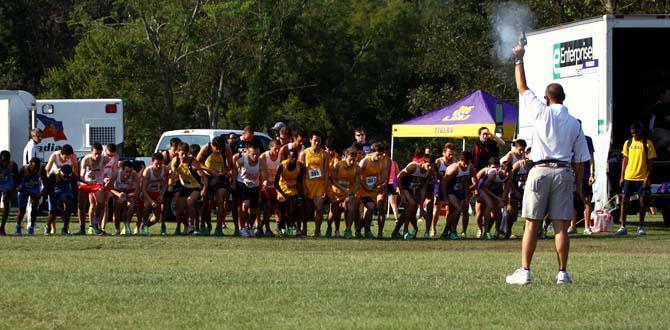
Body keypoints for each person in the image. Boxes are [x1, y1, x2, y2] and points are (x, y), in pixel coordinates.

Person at [505, 43, 590, 285]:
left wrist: (519, 58)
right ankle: (562, 273)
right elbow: (581, 161)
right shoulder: (575, 123)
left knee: (532, 223)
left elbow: (522, 86)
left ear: (546, 98)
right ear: (563, 98)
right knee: (561, 226)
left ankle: (525, 271)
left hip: (540, 170)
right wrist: (580, 188)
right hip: (563, 172)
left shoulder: (541, 112)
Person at [617, 122, 656, 236]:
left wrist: (647, 177)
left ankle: (641, 226)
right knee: (624, 201)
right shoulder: (628, 143)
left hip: (642, 178)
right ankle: (623, 226)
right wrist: (622, 176)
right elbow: (625, 160)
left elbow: (651, 163)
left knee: (643, 202)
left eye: (636, 132)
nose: (635, 135)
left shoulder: (647, 143)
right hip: (629, 177)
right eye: (632, 133)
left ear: (641, 131)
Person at [393, 152, 435, 240]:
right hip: (400, 184)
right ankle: (405, 231)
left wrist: (421, 205)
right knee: (412, 204)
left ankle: (395, 232)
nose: (430, 168)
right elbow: (399, 177)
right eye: (428, 165)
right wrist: (402, 194)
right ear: (423, 162)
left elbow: (423, 189)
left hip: (411, 188)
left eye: (432, 165)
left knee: (409, 209)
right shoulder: (413, 167)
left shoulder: (428, 172)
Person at [198, 136, 234, 237]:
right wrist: (209, 170)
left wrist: (222, 173)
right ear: (212, 146)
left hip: (221, 176)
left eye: (220, 149)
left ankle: (218, 228)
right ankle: (204, 225)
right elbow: (197, 162)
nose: (219, 151)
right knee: (206, 202)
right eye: (216, 149)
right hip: (208, 176)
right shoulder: (206, 148)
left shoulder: (226, 148)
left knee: (220, 200)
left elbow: (231, 165)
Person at [171, 142, 207, 235]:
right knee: (179, 209)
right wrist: (171, 179)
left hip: (196, 187)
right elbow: (171, 172)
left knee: (190, 201)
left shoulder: (193, 163)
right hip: (184, 187)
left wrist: (204, 189)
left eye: (185, 154)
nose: (183, 156)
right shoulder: (175, 161)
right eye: (181, 154)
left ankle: (192, 225)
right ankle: (187, 226)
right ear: (177, 153)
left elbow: (203, 177)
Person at [78, 143, 113, 235]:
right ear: (91, 152)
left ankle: (95, 223)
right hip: (86, 182)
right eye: (95, 154)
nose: (97, 156)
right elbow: (81, 176)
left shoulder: (105, 159)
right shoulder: (86, 159)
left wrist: (106, 178)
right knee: (81, 205)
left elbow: (111, 168)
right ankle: (82, 228)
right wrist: (87, 182)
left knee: (101, 202)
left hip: (97, 183)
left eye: (99, 154)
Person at [299, 131, 329, 237]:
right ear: (310, 140)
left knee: (319, 207)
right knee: (306, 208)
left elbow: (326, 172)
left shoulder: (324, 154)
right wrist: (303, 187)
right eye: (315, 140)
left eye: (319, 140)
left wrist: (325, 188)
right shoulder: (304, 153)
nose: (317, 142)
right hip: (307, 183)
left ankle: (317, 231)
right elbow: (300, 172)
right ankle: (304, 229)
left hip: (319, 184)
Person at [328, 148, 360, 239]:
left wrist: (351, 192)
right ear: (345, 157)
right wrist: (343, 189)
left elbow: (357, 184)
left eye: (354, 159)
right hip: (336, 192)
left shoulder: (357, 168)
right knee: (334, 212)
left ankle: (348, 229)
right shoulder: (338, 165)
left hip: (348, 192)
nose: (352, 161)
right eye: (350, 159)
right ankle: (331, 227)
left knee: (350, 206)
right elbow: (333, 180)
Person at [234, 143, 264, 237]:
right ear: (248, 153)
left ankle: (249, 227)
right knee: (245, 204)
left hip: (255, 185)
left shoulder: (261, 162)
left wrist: (264, 183)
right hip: (243, 183)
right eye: (253, 154)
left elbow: (263, 175)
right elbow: (234, 168)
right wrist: (234, 181)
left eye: (257, 154)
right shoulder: (243, 160)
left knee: (254, 210)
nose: (255, 156)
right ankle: (242, 228)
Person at [274, 148, 305, 236]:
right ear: (288, 157)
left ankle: (291, 231)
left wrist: (300, 196)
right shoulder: (281, 165)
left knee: (292, 212)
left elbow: (300, 182)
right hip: (282, 189)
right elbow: (275, 183)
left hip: (294, 190)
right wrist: (283, 194)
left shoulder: (300, 166)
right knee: (283, 213)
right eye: (292, 157)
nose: (293, 159)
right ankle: (282, 231)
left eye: (295, 157)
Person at [357, 143, 385, 238]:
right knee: (371, 207)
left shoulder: (381, 162)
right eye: (378, 154)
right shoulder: (365, 161)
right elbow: (357, 176)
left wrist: (377, 184)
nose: (380, 156)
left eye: (381, 154)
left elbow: (383, 177)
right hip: (363, 190)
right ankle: (367, 231)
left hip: (373, 190)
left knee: (368, 211)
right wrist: (365, 186)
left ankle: (358, 230)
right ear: (372, 152)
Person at [15, 157, 48, 236]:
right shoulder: (23, 169)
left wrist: (40, 194)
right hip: (23, 188)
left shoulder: (41, 169)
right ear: (30, 165)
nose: (36, 170)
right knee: (22, 210)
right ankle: (18, 226)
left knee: (34, 208)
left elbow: (46, 184)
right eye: (34, 168)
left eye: (37, 168)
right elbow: (16, 185)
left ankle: (31, 227)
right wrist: (22, 190)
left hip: (35, 188)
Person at [503, 139, 528, 238]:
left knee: (524, 209)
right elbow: (508, 174)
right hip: (511, 184)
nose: (522, 152)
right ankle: (507, 231)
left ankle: (527, 230)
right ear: (515, 148)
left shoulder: (523, 156)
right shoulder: (510, 155)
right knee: (511, 209)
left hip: (521, 185)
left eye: (523, 150)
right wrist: (512, 190)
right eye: (520, 150)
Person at [431, 143, 456, 238]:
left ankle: (447, 229)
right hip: (439, 187)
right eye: (449, 153)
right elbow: (433, 174)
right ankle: (433, 228)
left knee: (449, 209)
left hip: (450, 188)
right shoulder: (438, 162)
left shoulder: (455, 162)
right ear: (444, 152)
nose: (451, 155)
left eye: (453, 153)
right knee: (436, 208)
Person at [109, 160, 140, 236]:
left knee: (131, 206)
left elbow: (137, 190)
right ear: (122, 169)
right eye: (126, 172)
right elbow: (109, 187)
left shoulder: (134, 174)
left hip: (129, 192)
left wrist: (130, 195)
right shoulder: (116, 173)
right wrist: (118, 194)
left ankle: (127, 225)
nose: (128, 174)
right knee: (117, 212)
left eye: (130, 172)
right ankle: (117, 229)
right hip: (118, 191)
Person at [45, 164, 76, 235]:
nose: (66, 178)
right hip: (54, 192)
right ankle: (48, 227)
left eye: (68, 176)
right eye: (65, 176)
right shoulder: (53, 175)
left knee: (68, 210)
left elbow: (74, 190)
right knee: (53, 211)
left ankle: (65, 228)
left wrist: (74, 201)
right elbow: (49, 189)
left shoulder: (73, 176)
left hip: (65, 191)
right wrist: (56, 203)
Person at [141, 153, 168, 236]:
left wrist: (161, 195)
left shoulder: (165, 169)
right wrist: (151, 201)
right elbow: (143, 189)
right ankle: (145, 230)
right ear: (152, 162)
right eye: (157, 164)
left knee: (157, 217)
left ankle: (145, 226)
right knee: (147, 206)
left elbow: (165, 184)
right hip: (147, 193)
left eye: (161, 163)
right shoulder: (148, 171)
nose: (159, 166)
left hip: (157, 193)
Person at [259, 139, 281, 237]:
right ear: (270, 147)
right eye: (275, 149)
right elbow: (259, 171)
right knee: (267, 206)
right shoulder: (264, 156)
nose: (277, 151)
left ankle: (261, 227)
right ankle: (267, 229)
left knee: (277, 208)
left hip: (276, 186)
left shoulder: (280, 156)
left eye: (279, 149)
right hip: (265, 186)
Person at [0, 151, 18, 236]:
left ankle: (2, 227)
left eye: (7, 161)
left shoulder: (13, 165)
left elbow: (16, 179)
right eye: (3, 161)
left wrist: (13, 188)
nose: (5, 163)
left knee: (6, 203)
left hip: (8, 184)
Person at [649, 86, 670, 157]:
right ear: (662, 95)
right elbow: (668, 119)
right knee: (668, 138)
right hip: (654, 131)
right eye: (668, 94)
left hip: (663, 132)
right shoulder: (658, 106)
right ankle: (649, 153)